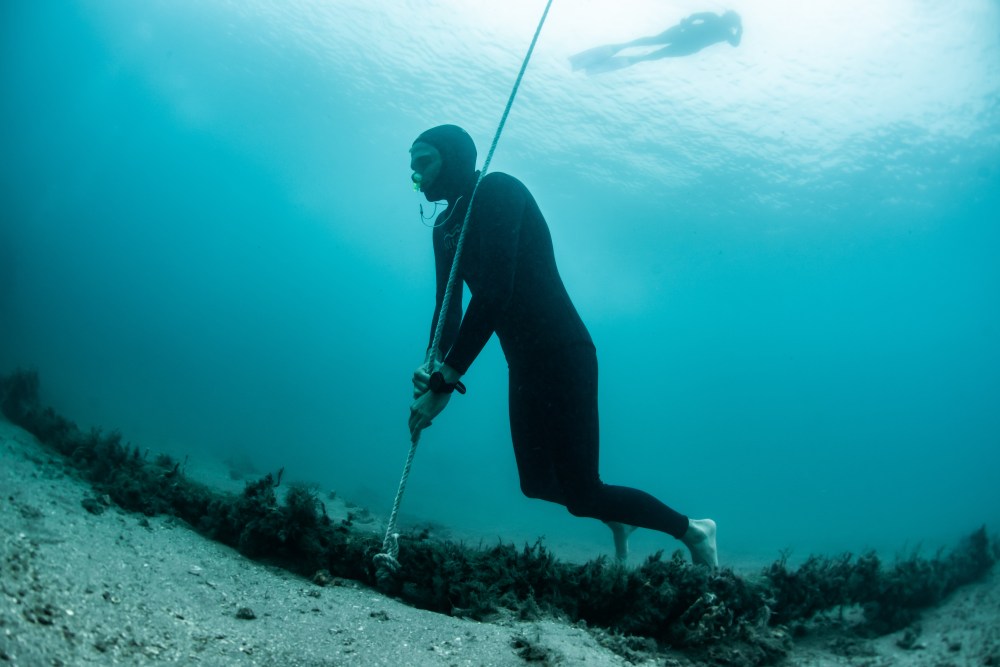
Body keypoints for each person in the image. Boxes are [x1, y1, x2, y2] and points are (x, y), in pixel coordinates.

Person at [406, 124, 717, 567]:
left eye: (423, 162)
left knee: (583, 490)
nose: (415, 177)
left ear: (454, 158)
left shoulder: (498, 191)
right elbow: (447, 307)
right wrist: (432, 361)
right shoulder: (444, 229)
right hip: (524, 363)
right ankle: (617, 514)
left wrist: (447, 380)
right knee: (535, 485)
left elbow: (495, 292)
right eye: (411, 167)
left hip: (564, 352)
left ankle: (695, 531)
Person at [570, 10, 743, 75]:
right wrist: (740, 30)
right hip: (687, 41)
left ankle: (623, 48)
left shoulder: (720, 25)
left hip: (684, 37)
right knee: (657, 51)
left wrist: (687, 24)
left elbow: (694, 17)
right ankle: (630, 54)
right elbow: (735, 43)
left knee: (655, 46)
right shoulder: (726, 31)